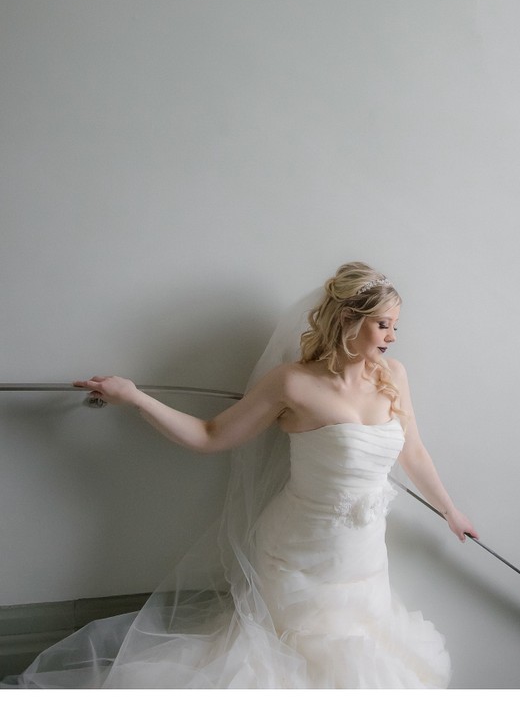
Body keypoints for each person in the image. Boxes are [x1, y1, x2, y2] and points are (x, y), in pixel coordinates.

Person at [7, 262, 477, 689]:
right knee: (295, 665)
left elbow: (413, 451)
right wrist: (135, 398)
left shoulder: (393, 375)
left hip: (365, 552)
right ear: (348, 320)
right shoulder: (293, 382)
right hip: (300, 553)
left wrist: (450, 512)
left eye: (395, 325)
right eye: (383, 324)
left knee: (362, 658)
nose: (392, 336)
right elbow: (211, 436)